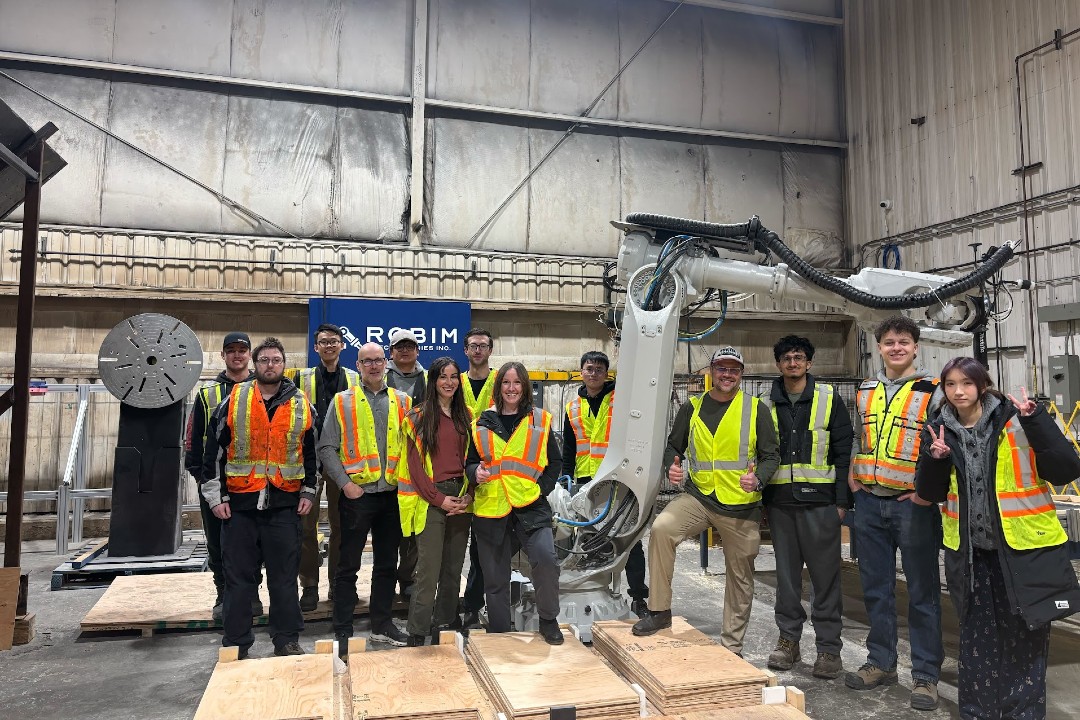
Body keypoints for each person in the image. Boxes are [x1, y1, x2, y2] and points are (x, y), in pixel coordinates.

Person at [915, 358, 1080, 720]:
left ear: (983, 385)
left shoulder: (1019, 419)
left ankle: (1023, 715)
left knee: (1026, 641)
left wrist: (1038, 423)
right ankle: (977, 714)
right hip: (973, 557)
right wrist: (935, 458)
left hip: (1023, 552)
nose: (959, 391)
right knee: (976, 647)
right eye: (951, 384)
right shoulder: (939, 428)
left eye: (967, 383)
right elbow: (928, 493)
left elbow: (1066, 469)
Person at [632, 345, 779, 657]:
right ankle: (659, 610)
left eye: (734, 369)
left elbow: (771, 455)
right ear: (712, 371)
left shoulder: (756, 409)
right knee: (662, 529)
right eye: (722, 368)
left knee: (739, 574)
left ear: (741, 374)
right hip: (699, 497)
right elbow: (674, 445)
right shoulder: (693, 406)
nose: (727, 374)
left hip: (741, 504)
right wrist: (672, 464)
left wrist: (759, 478)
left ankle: (732, 645)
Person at [845, 315, 943, 711]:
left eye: (904, 342)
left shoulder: (932, 391)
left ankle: (925, 676)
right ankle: (881, 662)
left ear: (916, 347)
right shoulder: (866, 389)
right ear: (880, 347)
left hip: (912, 506)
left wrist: (925, 493)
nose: (897, 347)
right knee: (875, 589)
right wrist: (854, 478)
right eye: (889, 342)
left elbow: (941, 444)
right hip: (869, 501)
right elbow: (858, 435)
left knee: (922, 591)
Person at [201, 337, 316, 659]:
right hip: (239, 506)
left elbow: (311, 455)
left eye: (276, 360)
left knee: (283, 580)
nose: (270, 365)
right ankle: (237, 643)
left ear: (283, 364)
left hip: (283, 505)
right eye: (264, 360)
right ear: (255, 364)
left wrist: (308, 491)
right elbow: (214, 452)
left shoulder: (300, 403)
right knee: (239, 581)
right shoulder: (235, 399)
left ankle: (287, 640)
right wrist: (215, 497)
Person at [761, 335, 852, 679]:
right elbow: (758, 454)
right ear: (779, 364)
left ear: (809, 363)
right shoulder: (764, 404)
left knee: (825, 579)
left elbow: (844, 452)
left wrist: (842, 502)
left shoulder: (830, 400)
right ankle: (788, 641)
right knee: (786, 580)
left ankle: (829, 650)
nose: (793, 363)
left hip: (821, 503)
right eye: (786, 358)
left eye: (799, 357)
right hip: (780, 505)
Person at [319, 342, 412, 648]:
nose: (373, 366)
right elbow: (326, 447)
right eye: (366, 361)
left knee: (387, 564)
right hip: (357, 496)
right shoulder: (342, 401)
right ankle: (342, 628)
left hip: (392, 496)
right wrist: (345, 484)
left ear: (386, 363)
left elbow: (414, 449)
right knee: (348, 565)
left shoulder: (403, 402)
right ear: (357, 366)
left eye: (378, 360)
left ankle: (381, 624)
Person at [465, 361, 564, 645]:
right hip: (491, 506)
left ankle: (548, 620)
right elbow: (470, 462)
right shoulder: (481, 423)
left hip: (530, 504)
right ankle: (499, 633)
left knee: (546, 559)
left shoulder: (540, 420)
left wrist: (542, 488)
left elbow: (554, 461)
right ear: (499, 387)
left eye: (517, 383)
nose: (511, 388)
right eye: (506, 383)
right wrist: (475, 472)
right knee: (495, 577)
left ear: (525, 387)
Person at [561, 350, 649, 618]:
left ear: (606, 373)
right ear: (581, 371)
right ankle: (594, 589)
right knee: (588, 537)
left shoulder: (620, 401)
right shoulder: (572, 406)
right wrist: (565, 483)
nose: (594, 373)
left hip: (617, 480)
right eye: (589, 368)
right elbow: (569, 448)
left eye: (599, 369)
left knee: (627, 538)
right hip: (585, 481)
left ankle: (637, 597)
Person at [399, 357, 474, 646]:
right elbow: (415, 469)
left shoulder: (467, 415)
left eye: (454, 376)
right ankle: (417, 630)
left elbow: (472, 460)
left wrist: (469, 495)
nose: (449, 382)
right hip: (431, 498)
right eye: (443, 376)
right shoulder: (417, 417)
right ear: (433, 381)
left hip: (461, 496)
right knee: (429, 570)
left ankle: (445, 619)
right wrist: (440, 499)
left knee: (454, 567)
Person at [286, 323, 360, 613]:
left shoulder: (355, 378)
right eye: (323, 342)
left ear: (342, 346)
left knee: (343, 527)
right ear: (315, 348)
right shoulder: (300, 378)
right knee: (306, 526)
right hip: (309, 462)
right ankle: (310, 586)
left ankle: (338, 584)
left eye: (334, 341)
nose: (329, 346)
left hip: (344, 462)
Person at [185, 331, 257, 621]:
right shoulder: (207, 394)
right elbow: (192, 440)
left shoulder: (265, 389)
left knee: (253, 542)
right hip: (216, 482)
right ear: (223, 356)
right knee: (217, 542)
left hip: (254, 481)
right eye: (232, 350)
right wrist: (202, 479)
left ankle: (250, 594)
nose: (237, 355)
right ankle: (223, 593)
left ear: (249, 354)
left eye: (242, 350)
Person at [385, 328, 425, 603]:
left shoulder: (426, 378)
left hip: (417, 461)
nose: (405, 350)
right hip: (386, 464)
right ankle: (385, 581)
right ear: (392, 351)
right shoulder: (381, 376)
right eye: (400, 346)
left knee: (412, 527)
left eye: (410, 346)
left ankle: (408, 580)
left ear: (417, 351)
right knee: (389, 529)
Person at [460, 328, 496, 627]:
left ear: (490, 350)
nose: (478, 351)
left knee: (484, 546)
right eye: (473, 346)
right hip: (458, 470)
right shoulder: (454, 382)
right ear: (465, 350)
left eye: (483, 346)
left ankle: (476, 603)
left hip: (492, 473)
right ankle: (456, 603)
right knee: (456, 543)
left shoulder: (502, 381)